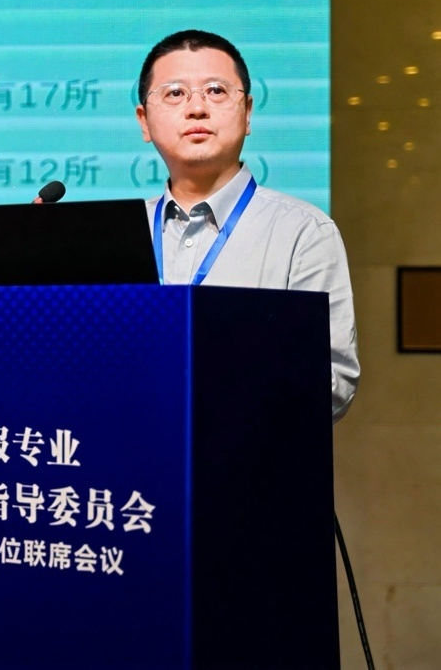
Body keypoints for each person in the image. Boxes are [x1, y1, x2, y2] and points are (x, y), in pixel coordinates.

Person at [135, 29, 358, 421]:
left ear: (248, 112)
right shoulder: (115, 234)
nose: (197, 108)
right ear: (144, 122)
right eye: (175, 93)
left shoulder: (304, 233)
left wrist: (213, 378)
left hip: (249, 454)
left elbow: (333, 384)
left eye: (216, 91)